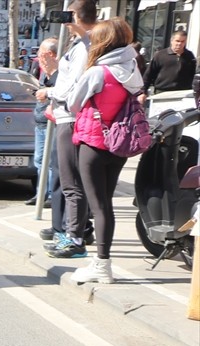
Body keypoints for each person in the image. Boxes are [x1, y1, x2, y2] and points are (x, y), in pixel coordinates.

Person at [67, 19, 144, 285]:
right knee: (105, 205)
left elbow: (73, 104)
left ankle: (102, 265)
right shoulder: (132, 68)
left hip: (94, 143)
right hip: (120, 144)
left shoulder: (98, 72)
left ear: (102, 43)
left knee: (97, 206)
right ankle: (101, 262)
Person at [45, 0, 98, 260]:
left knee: (71, 183)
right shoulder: (79, 43)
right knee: (69, 181)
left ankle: (75, 237)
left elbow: (73, 85)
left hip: (70, 116)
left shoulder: (85, 46)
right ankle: (73, 233)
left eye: (70, 13)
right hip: (67, 115)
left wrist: (49, 91)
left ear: (76, 15)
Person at [30, 38, 58, 206]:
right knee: (39, 160)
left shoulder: (61, 74)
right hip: (40, 121)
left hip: (53, 123)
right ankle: (41, 193)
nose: (38, 58)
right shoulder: (43, 73)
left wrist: (47, 92)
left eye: (41, 54)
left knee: (51, 161)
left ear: (50, 54)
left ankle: (50, 195)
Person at [143, 30, 196, 96]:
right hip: (162, 92)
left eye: (182, 41)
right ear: (172, 41)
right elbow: (149, 74)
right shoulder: (160, 55)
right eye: (177, 41)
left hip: (183, 93)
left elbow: (193, 74)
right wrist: (143, 92)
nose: (179, 44)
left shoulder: (189, 56)